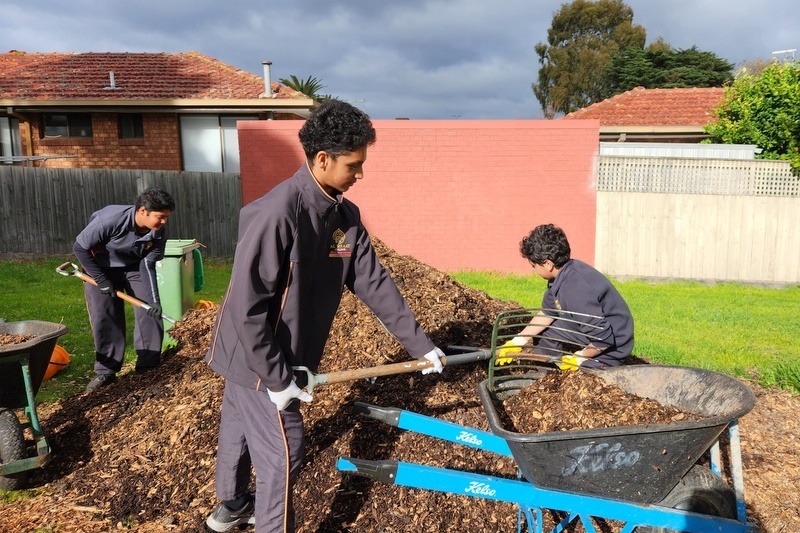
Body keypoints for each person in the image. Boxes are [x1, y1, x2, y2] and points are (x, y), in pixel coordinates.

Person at [204, 99, 445, 533]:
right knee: (286, 450)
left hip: (275, 357)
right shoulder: (277, 214)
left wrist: (421, 345)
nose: (360, 174)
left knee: (239, 430)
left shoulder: (342, 220)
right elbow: (248, 307)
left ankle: (232, 507)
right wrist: (278, 379)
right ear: (322, 159)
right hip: (257, 355)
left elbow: (371, 281)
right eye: (354, 165)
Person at [73, 187, 175, 391]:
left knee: (149, 310)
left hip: (134, 267)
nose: (164, 222)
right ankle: (106, 372)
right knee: (105, 315)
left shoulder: (158, 232)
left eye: (166, 217)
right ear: (143, 211)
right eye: (160, 217)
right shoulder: (110, 220)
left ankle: (148, 365)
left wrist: (153, 299)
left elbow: (148, 264)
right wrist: (101, 280)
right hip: (100, 267)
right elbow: (80, 248)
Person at [497, 223, 634, 370]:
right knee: (543, 331)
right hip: (594, 329)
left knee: (585, 381)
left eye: (534, 265)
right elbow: (548, 312)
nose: (533, 270)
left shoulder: (575, 289)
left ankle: (594, 365)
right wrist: (519, 340)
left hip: (614, 345)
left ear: (548, 264)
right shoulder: (560, 275)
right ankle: (544, 376)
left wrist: (579, 357)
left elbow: (603, 339)